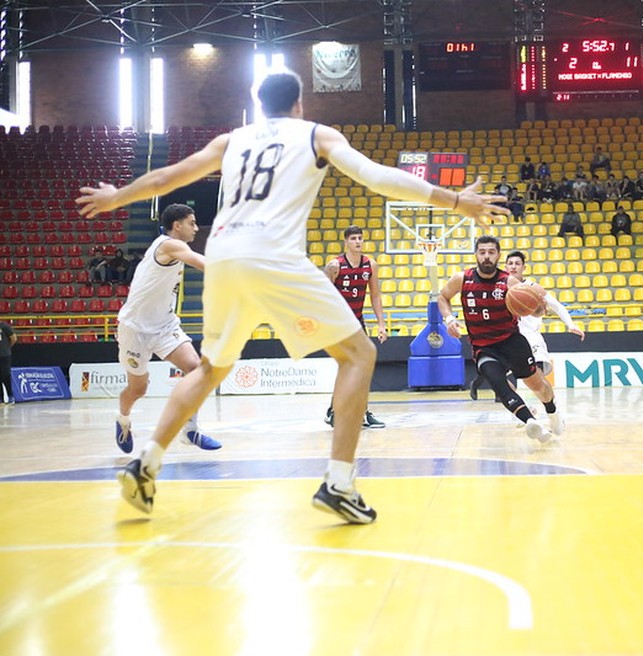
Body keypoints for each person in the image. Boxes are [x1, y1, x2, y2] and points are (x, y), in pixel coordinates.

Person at [76, 70, 508, 522]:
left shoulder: (232, 140)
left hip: (223, 255)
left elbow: (169, 175)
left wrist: (118, 196)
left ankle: (145, 462)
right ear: (299, 104)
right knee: (358, 354)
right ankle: (339, 482)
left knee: (208, 369)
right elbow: (377, 176)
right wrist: (455, 201)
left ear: (258, 105)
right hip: (273, 254)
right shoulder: (317, 135)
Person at [113, 203, 222, 454]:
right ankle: (123, 420)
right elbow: (203, 263)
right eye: (192, 223)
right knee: (138, 388)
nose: (196, 228)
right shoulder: (168, 244)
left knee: (195, 369)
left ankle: (191, 430)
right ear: (177, 225)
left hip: (163, 324)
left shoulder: (175, 248)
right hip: (134, 328)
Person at [438, 236, 565, 442]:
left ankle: (552, 412)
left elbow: (536, 311)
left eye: (491, 252)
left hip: (511, 342)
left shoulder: (509, 282)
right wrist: (449, 319)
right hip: (483, 347)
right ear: (476, 254)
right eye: (482, 252)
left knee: (537, 385)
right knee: (499, 385)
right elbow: (443, 297)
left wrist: (538, 306)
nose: (486, 256)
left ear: (498, 255)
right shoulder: (462, 279)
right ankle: (531, 421)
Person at [469, 250, 586, 399]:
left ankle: (552, 409)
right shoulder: (498, 289)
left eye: (517, 264)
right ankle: (527, 409)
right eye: (510, 263)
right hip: (508, 339)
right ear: (505, 266)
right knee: (498, 381)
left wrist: (570, 324)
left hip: (531, 339)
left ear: (524, 267)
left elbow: (556, 306)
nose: (513, 267)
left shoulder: (532, 288)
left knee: (538, 380)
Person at [323, 225, 387, 429]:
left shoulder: (370, 265)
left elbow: (375, 295)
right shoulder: (335, 265)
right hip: (339, 322)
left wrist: (381, 324)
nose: (358, 241)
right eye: (353, 238)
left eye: (360, 238)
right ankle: (340, 411)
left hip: (358, 322)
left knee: (361, 366)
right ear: (346, 242)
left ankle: (350, 412)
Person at [0, 320, 15, 405]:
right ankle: (1, 398)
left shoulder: (4, 326)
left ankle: (10, 396)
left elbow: (13, 338)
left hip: (4, 356)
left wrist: (7, 348)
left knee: (6, 375)